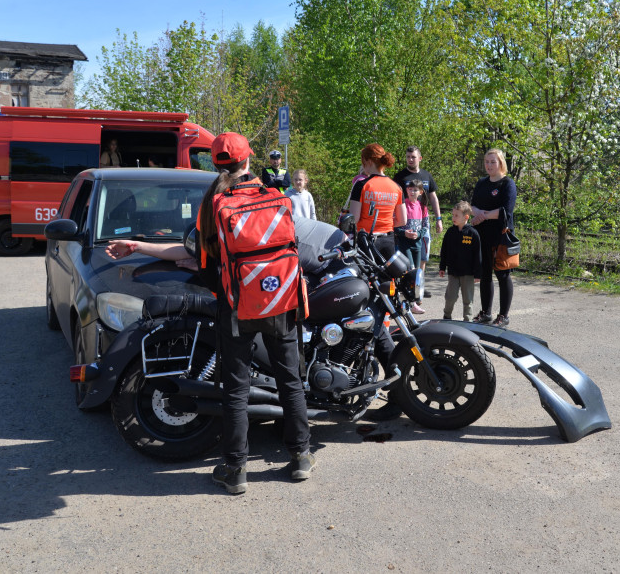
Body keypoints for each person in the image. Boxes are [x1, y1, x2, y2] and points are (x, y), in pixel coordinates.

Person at [105, 132, 315, 494]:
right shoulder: (277, 196)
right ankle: (300, 458)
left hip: (236, 305)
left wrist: (138, 245)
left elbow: (192, 257)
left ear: (215, 164)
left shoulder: (214, 203)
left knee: (235, 388)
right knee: (290, 380)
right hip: (280, 299)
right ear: (250, 160)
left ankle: (236, 471)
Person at [470, 148, 517, 328]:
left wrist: (483, 215)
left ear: (500, 163)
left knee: (502, 274)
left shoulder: (507, 184)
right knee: (485, 274)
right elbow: (472, 205)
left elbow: (506, 210)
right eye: (487, 162)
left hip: (501, 235)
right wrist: (479, 213)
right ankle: (486, 312)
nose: (489, 165)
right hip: (482, 234)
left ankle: (503, 315)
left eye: (493, 162)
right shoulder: (482, 183)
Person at [393, 147, 443, 297]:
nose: (410, 159)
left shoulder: (426, 175)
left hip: (422, 221)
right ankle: (406, 287)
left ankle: (419, 285)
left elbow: (433, 197)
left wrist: (438, 219)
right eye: (408, 156)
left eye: (413, 157)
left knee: (422, 257)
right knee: (406, 259)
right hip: (405, 224)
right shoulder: (400, 176)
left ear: (419, 158)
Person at [349, 143, 407, 261]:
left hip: (366, 241)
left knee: (364, 278)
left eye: (363, 162)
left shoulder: (361, 185)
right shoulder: (396, 187)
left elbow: (353, 219)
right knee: (387, 278)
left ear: (369, 161)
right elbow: (402, 220)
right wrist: (384, 224)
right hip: (388, 241)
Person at [439, 201, 482, 321]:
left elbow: (477, 255)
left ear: (466, 217)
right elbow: (444, 251)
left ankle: (467, 320)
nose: (453, 218)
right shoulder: (450, 232)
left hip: (468, 273)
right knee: (450, 297)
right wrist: (442, 267)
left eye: (456, 215)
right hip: (453, 272)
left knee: (468, 299)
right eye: (453, 215)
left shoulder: (473, 234)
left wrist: (478, 274)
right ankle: (447, 316)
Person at [396, 179, 429, 314]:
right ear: (406, 190)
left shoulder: (422, 207)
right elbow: (395, 226)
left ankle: (412, 303)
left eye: (415, 190)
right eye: (410, 189)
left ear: (420, 192)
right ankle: (405, 302)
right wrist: (405, 233)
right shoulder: (402, 205)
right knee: (409, 270)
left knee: (416, 274)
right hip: (405, 244)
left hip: (417, 244)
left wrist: (418, 234)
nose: (412, 191)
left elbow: (425, 226)